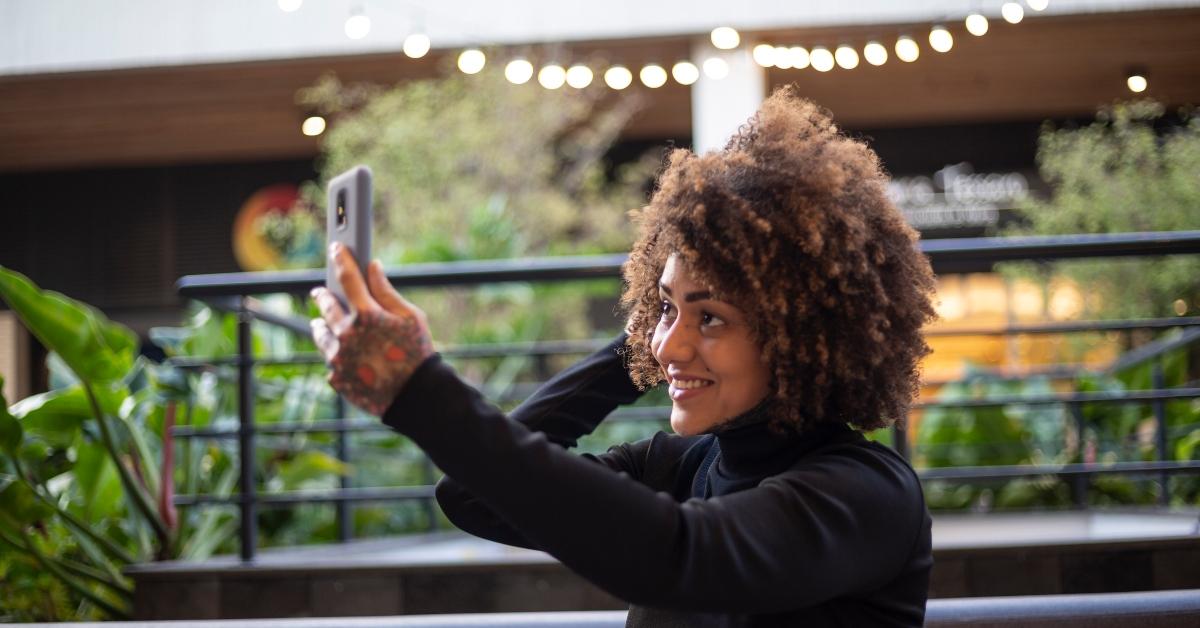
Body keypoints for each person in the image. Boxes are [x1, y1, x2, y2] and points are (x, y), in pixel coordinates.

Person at [310, 86, 938, 627]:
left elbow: (680, 558)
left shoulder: (865, 494)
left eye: (712, 316)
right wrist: (647, 338)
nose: (669, 344)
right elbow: (472, 497)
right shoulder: (684, 465)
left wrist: (420, 390)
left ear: (800, 337)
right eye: (665, 309)